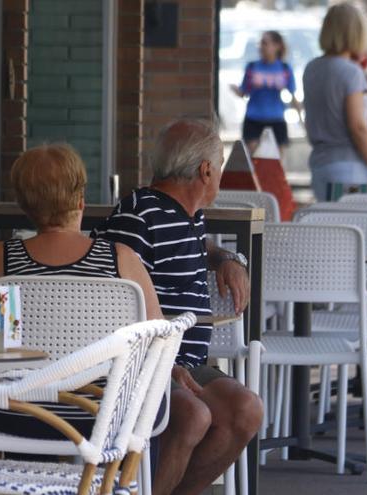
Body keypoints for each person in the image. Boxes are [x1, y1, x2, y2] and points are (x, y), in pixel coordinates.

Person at [91, 120, 264, 495]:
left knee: (246, 410)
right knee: (193, 416)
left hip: (186, 364)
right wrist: (163, 366)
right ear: (206, 170)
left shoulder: (188, 213)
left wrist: (224, 257)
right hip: (143, 364)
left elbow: (196, 246)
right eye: (217, 166)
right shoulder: (138, 215)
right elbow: (112, 300)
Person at [0, 143, 163, 438]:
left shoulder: (0, 260)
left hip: (16, 410)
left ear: (24, 205)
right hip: (109, 411)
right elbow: (157, 338)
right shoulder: (122, 260)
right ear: (80, 200)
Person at [303, 2, 367, 201]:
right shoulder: (350, 73)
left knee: (330, 230)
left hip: (320, 165)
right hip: (351, 169)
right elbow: (358, 127)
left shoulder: (311, 69)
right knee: (352, 229)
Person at [230, 30, 299, 156]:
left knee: (276, 161)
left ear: (277, 46)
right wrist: (235, 90)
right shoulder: (252, 67)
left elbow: (293, 94)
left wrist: (302, 120)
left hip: (277, 118)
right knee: (254, 158)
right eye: (260, 43)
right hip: (253, 117)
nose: (261, 46)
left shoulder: (284, 68)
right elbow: (244, 92)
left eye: (265, 43)